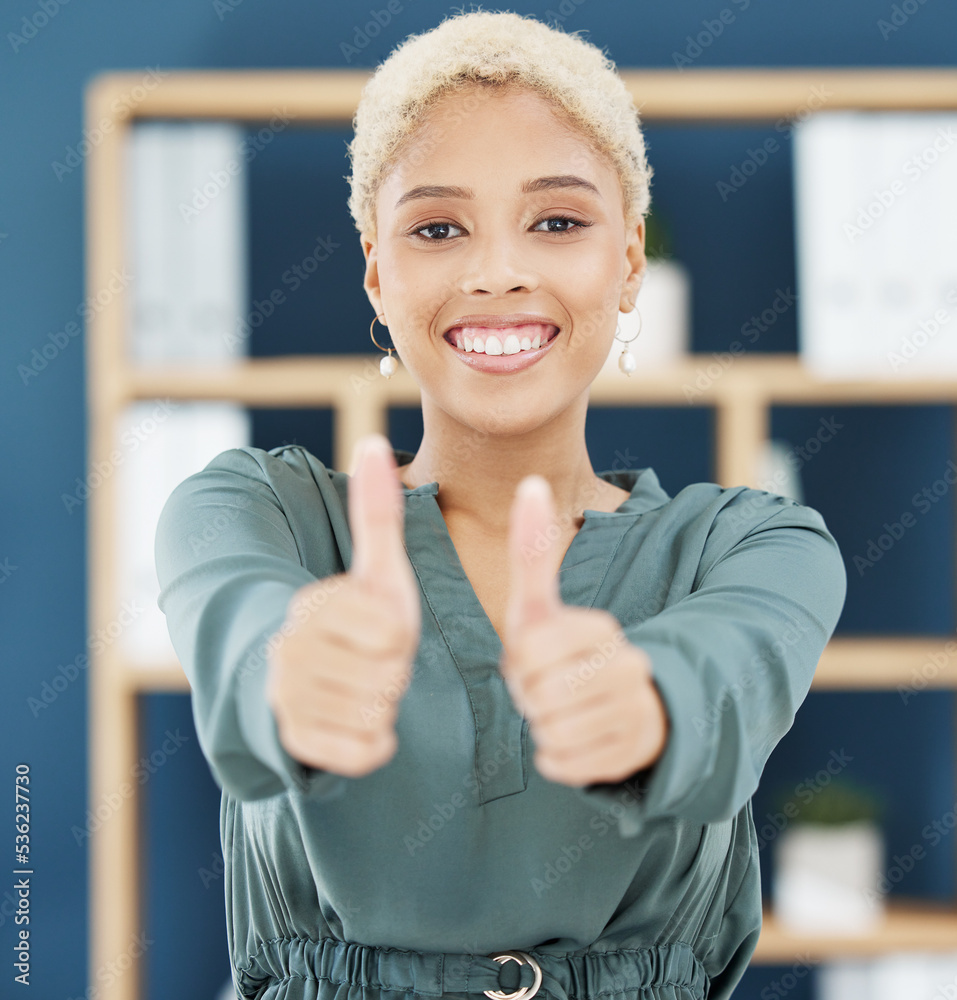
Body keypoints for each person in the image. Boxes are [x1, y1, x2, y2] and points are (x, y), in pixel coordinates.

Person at [154, 9, 847, 1000]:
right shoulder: (255, 511)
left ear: (629, 263)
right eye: (438, 228)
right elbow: (241, 621)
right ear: (378, 274)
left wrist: (643, 701)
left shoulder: (758, 545)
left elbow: (731, 667)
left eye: (557, 221)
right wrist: (293, 665)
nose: (497, 271)